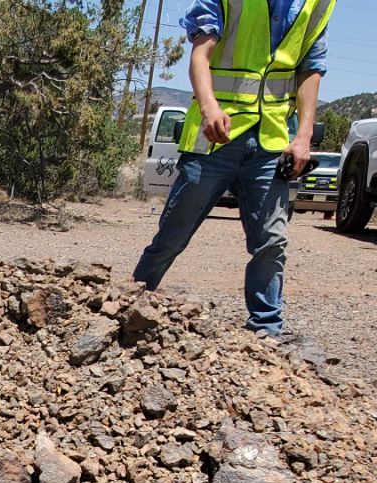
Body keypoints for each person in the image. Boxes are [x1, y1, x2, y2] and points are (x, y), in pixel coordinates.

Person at [133, 0, 336, 339]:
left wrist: (304, 134)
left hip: (271, 141)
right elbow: (201, 53)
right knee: (173, 234)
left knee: (272, 241)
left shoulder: (317, 4)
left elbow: (311, 68)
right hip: (215, 138)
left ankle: (267, 331)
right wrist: (210, 106)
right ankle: (131, 302)